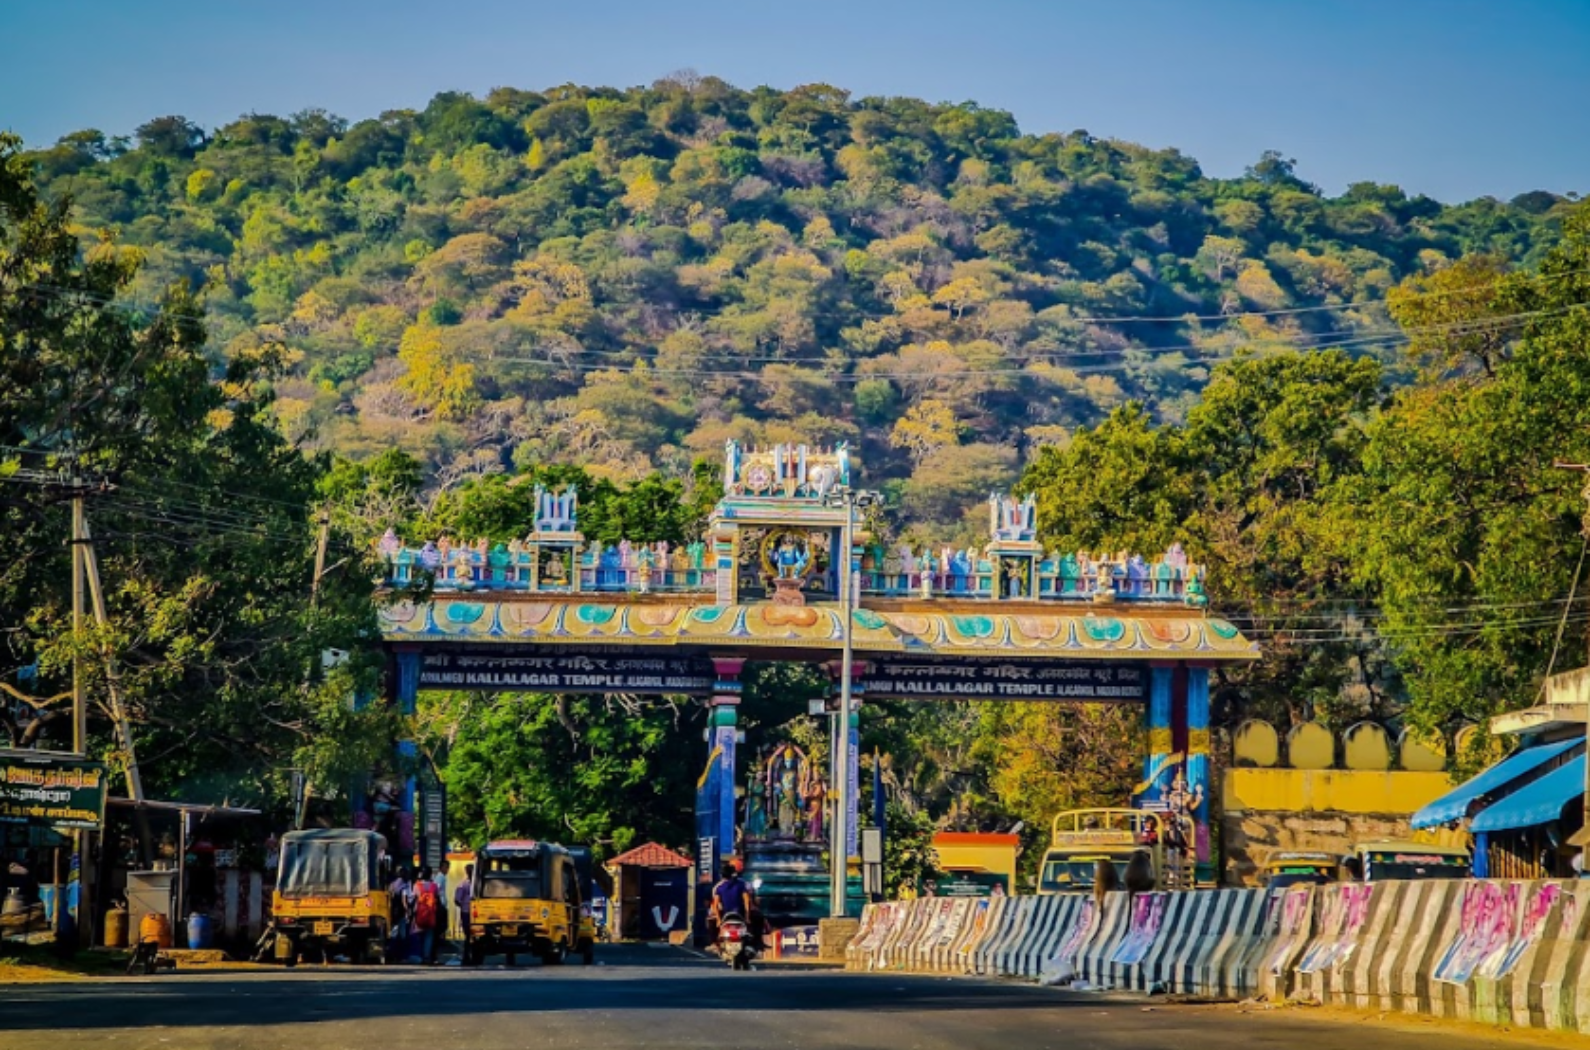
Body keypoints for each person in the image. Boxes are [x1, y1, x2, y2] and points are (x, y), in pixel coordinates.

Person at [413, 866, 442, 965]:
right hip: (431, 914)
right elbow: (438, 899)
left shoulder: (417, 886)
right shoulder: (434, 886)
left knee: (419, 935)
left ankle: (420, 956)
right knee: (429, 936)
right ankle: (427, 957)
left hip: (419, 914)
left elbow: (413, 899)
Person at [388, 866, 414, 960]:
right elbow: (404, 900)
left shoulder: (392, 884)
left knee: (393, 933)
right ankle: (401, 955)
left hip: (392, 911)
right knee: (402, 934)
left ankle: (390, 953)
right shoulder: (404, 885)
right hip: (401, 912)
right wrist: (408, 910)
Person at [455, 864, 474, 958]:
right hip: (468, 911)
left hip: (469, 911)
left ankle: (468, 952)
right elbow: (457, 900)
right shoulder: (464, 884)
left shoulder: (464, 884)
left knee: (469, 933)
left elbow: (457, 900)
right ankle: (467, 953)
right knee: (468, 933)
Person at [432, 863, 449, 956]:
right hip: (441, 907)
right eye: (446, 868)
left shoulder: (442, 877)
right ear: (442, 867)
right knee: (441, 928)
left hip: (442, 905)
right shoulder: (440, 877)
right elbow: (437, 890)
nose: (447, 870)